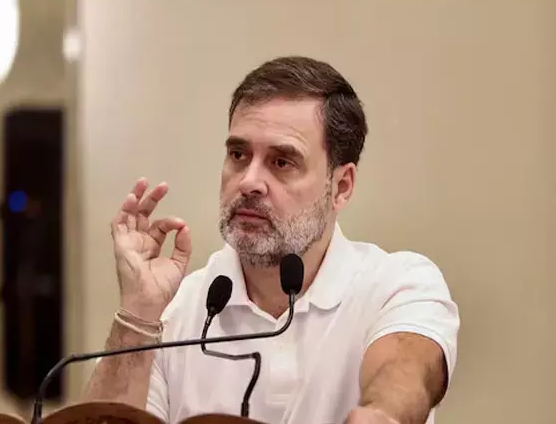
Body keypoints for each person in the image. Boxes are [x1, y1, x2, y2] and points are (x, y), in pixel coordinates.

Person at [81, 56, 460, 424]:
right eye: (238, 154)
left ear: (341, 186)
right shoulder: (174, 311)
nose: (249, 182)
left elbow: (406, 371)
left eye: (282, 162)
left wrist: (382, 414)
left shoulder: (397, 285)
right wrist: (139, 312)